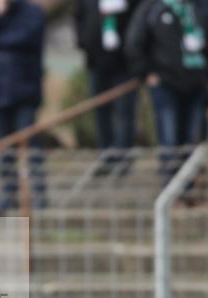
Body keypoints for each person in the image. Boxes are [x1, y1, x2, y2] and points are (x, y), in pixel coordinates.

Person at [0, 0, 47, 213]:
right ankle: (8, 193)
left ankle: (39, 192)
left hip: (25, 92)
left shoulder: (33, 13)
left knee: (30, 144)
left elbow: (24, 37)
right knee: (4, 147)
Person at [126, 0, 208, 184]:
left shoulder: (194, 8)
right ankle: (171, 188)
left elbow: (205, 43)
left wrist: (206, 77)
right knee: (169, 139)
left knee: (191, 140)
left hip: (195, 83)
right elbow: (134, 41)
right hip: (166, 84)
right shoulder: (152, 8)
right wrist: (145, 72)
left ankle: (189, 188)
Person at [74, 0, 139, 175]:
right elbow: (79, 18)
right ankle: (106, 155)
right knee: (101, 112)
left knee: (125, 112)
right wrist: (84, 41)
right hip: (96, 63)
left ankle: (123, 157)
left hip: (124, 64)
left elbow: (138, 21)